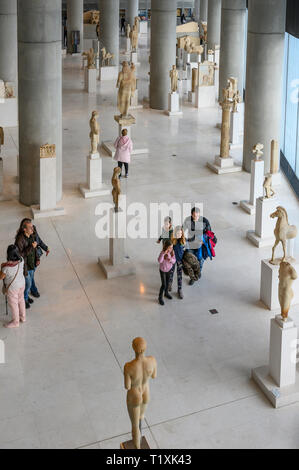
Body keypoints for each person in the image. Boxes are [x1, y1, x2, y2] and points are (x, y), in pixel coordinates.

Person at [15, 219, 49, 308]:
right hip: (25, 266)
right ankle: (24, 299)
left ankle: (26, 297)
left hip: (32, 264)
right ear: (24, 229)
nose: (32, 229)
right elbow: (20, 255)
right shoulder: (20, 240)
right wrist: (31, 247)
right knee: (28, 283)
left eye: (32, 227)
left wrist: (37, 259)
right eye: (30, 228)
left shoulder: (32, 236)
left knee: (29, 282)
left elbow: (35, 250)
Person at [183, 207, 211, 285]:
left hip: (201, 246)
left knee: (200, 261)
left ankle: (196, 275)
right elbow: (182, 230)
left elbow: (210, 234)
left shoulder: (205, 221)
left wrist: (204, 241)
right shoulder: (188, 220)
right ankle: (193, 275)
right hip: (191, 245)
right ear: (191, 215)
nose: (196, 218)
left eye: (198, 216)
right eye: (195, 216)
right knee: (191, 261)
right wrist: (183, 239)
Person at [0, 245, 26, 328]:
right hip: (22, 283)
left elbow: (1, 277)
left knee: (14, 304)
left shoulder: (6, 268)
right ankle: (23, 317)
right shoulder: (21, 260)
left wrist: (2, 266)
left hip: (13, 288)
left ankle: (16, 322)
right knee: (21, 300)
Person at [169, 226, 186, 299]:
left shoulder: (183, 242)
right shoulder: (172, 241)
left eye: (180, 233)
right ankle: (169, 284)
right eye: (178, 233)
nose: (179, 235)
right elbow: (168, 250)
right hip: (173, 260)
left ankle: (179, 289)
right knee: (171, 273)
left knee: (179, 276)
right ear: (175, 234)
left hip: (180, 261)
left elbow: (185, 251)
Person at [157, 240, 176, 306]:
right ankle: (160, 297)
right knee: (164, 285)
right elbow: (159, 261)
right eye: (170, 247)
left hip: (169, 269)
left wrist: (170, 259)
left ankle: (166, 293)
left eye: (172, 247)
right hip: (162, 270)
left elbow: (174, 261)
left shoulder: (172, 252)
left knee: (168, 283)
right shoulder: (162, 252)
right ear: (166, 247)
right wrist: (163, 254)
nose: (171, 249)